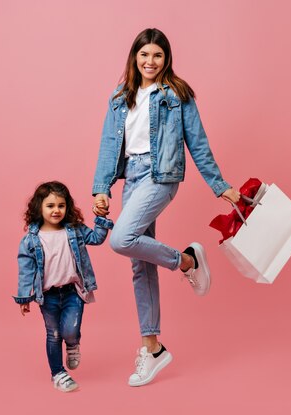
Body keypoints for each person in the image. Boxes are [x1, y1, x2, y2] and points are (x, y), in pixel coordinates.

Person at [91, 28, 240, 387]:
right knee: (140, 266)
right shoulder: (119, 97)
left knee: (121, 239)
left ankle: (186, 261)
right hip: (133, 177)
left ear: (166, 59)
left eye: (157, 56)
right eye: (144, 55)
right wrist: (101, 189)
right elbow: (109, 147)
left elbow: (198, 142)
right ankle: (153, 348)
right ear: (135, 57)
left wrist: (220, 185)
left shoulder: (177, 95)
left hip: (161, 175)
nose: (150, 62)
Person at [14, 181, 113, 392]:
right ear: (39, 207)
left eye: (61, 205)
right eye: (50, 206)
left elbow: (96, 238)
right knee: (53, 334)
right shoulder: (31, 240)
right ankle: (58, 374)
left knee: (70, 330)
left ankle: (73, 343)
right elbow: (26, 270)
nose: (56, 210)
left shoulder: (74, 230)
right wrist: (25, 298)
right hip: (47, 295)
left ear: (67, 207)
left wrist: (102, 219)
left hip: (73, 291)